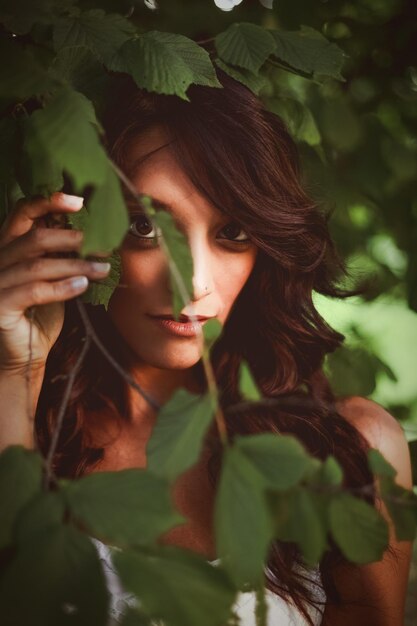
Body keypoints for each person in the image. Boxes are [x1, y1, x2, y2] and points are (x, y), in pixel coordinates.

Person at [0, 68, 412, 625]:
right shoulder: (26, 428)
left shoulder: (351, 449)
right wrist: (16, 371)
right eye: (145, 227)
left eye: (234, 233)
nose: (192, 284)